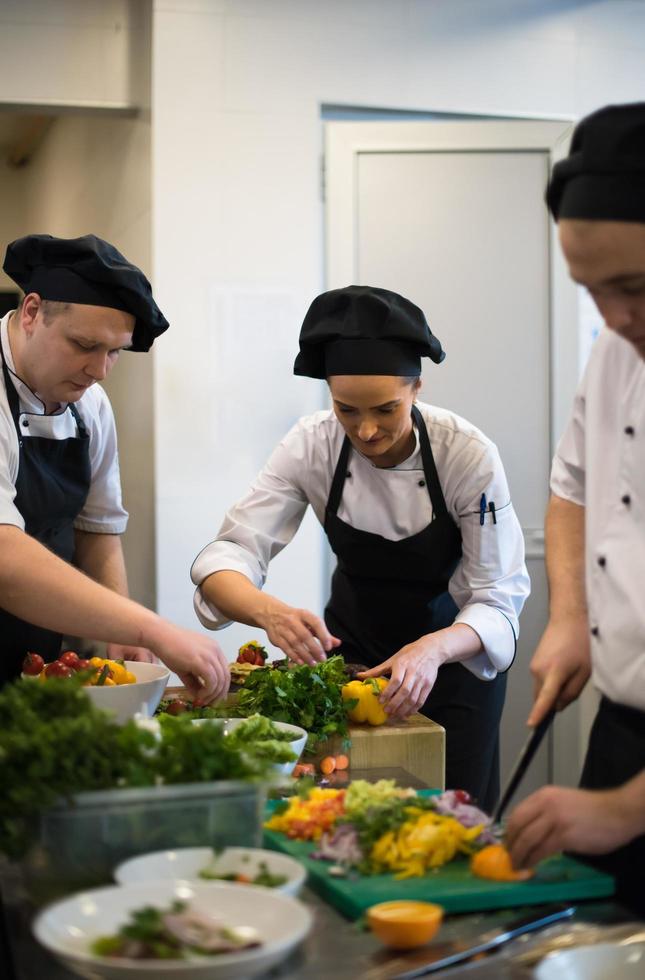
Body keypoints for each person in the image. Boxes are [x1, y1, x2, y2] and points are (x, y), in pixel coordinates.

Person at [191, 285, 529, 811]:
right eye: (347, 410)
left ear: (417, 389)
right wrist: (269, 613)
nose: (367, 431)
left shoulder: (466, 455)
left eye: (387, 410)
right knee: (343, 815)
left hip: (454, 671)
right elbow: (228, 554)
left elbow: (496, 599)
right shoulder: (312, 444)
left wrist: (432, 649)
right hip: (353, 668)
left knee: (452, 824)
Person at [506, 103, 645, 913]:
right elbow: (573, 490)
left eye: (633, 287)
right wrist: (569, 616)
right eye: (592, 292)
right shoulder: (613, 350)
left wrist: (624, 811)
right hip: (622, 726)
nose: (615, 319)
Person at [0, 233, 229, 703]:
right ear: (31, 312)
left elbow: (98, 528)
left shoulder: (91, 406)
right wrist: (150, 626)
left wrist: (123, 631)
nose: (100, 370)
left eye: (115, 352)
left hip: (33, 656)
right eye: (85, 345)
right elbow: (4, 559)